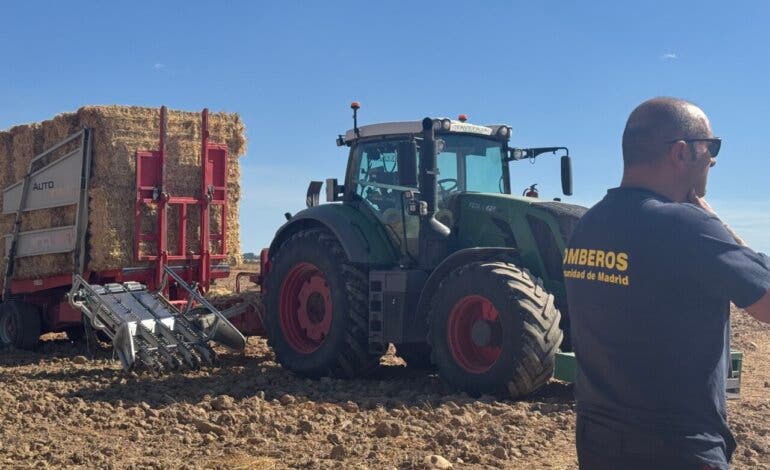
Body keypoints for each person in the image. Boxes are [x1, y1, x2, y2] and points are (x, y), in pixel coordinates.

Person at [563, 97, 770, 469]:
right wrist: (718, 224)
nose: (713, 160)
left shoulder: (588, 226)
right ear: (681, 152)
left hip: (598, 442)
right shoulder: (688, 227)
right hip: (678, 447)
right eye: (711, 147)